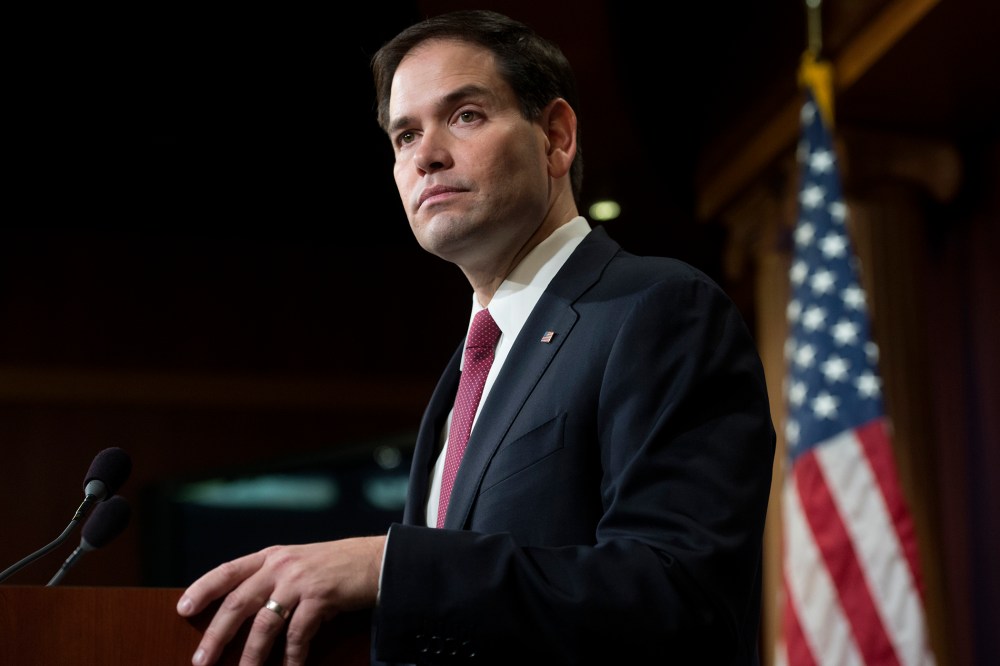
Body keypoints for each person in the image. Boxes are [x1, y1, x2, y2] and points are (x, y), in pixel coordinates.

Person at [176, 9, 776, 665]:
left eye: (464, 115)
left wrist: (389, 567)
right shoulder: (465, 374)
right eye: (405, 135)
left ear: (556, 136)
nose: (426, 154)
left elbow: (680, 599)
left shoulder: (656, 308)